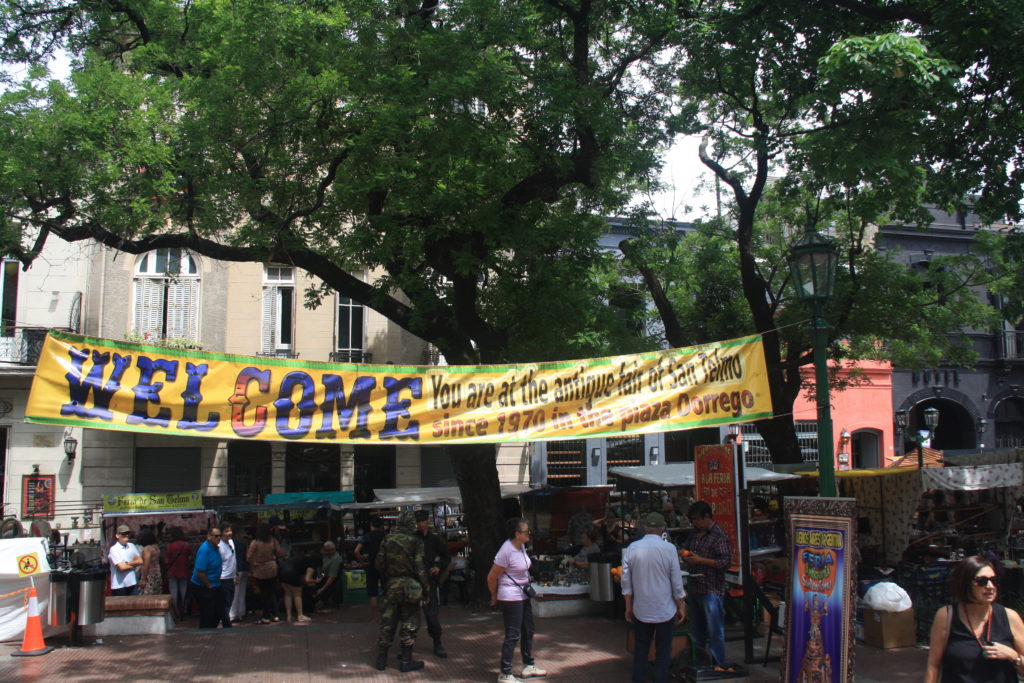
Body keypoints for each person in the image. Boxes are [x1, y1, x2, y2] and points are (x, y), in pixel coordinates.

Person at [925, 555, 1024, 682]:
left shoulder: (1010, 617)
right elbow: (933, 665)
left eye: (994, 580)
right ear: (965, 583)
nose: (990, 586)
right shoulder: (946, 616)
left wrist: (1013, 656)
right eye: (982, 581)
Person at [622, 512, 687, 683]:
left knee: (641, 648)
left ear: (645, 527)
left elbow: (626, 582)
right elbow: (676, 582)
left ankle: (639, 680)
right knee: (663, 650)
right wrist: (681, 605)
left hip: (641, 608)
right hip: (664, 609)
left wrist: (628, 605)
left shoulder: (632, 548)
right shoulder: (670, 549)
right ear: (662, 529)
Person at [487, 517, 547, 683]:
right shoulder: (506, 551)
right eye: (526, 531)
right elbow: (492, 577)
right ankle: (505, 672)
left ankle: (528, 665)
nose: (529, 533)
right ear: (517, 534)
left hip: (523, 593)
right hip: (510, 596)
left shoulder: (521, 546)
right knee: (513, 634)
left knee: (528, 629)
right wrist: (494, 595)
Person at [375, 509, 429, 672]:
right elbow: (420, 568)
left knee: (387, 622)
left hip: (392, 586)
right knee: (409, 622)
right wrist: (426, 590)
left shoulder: (387, 539)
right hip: (411, 587)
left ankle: (381, 660)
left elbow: (379, 564)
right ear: (412, 523)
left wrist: (388, 577)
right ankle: (406, 661)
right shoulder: (416, 541)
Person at [681, 501, 731, 667]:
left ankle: (719, 664)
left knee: (715, 631)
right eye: (693, 520)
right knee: (696, 630)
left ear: (707, 517)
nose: (695, 523)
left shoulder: (718, 536)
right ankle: (699, 662)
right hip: (695, 588)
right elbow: (685, 549)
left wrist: (700, 560)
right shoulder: (694, 535)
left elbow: (724, 562)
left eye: (697, 519)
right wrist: (685, 555)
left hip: (711, 590)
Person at [416, 508, 452, 658]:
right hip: (415, 581)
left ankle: (437, 641)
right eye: (418, 522)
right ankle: (407, 646)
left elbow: (446, 557)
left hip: (429, 581)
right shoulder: (412, 538)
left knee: (432, 615)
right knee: (409, 615)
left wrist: (438, 567)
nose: (420, 525)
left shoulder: (435, 539)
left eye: (422, 521)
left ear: (427, 522)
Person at [246, 523, 284, 624]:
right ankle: (276, 614)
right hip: (272, 568)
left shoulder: (255, 542)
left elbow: (249, 557)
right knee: (272, 592)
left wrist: (254, 564)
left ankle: (266, 615)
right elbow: (280, 552)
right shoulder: (273, 540)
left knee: (264, 593)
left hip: (260, 569)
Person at [190, 527, 223, 629]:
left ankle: (211, 631)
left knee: (217, 612)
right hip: (203, 586)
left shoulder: (216, 548)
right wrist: (209, 586)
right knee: (207, 613)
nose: (218, 538)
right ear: (209, 537)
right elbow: (200, 571)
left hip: (215, 584)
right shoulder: (205, 549)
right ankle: (205, 634)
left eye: (220, 536)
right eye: (216, 536)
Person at [356, 515, 388, 613]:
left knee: (373, 593)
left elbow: (356, 551)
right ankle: (387, 613)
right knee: (387, 589)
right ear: (382, 525)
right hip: (384, 565)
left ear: (371, 525)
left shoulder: (367, 536)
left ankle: (375, 616)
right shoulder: (386, 536)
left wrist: (362, 562)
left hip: (371, 565)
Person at [279, 547, 315, 624]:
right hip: (292, 573)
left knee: (288, 594)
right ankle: (300, 615)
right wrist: (316, 581)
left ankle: (288, 616)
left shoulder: (295, 559)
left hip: (281, 571)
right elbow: (307, 579)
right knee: (297, 595)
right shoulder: (311, 562)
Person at [107, 524, 143, 596]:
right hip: (119, 586)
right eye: (123, 534)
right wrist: (133, 566)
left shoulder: (131, 546)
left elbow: (140, 561)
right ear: (117, 536)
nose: (126, 536)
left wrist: (127, 563)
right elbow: (121, 567)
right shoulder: (114, 549)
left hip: (132, 583)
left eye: (127, 534)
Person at [165, 526, 192, 617]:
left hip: (172, 571)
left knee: (173, 593)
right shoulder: (186, 545)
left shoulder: (170, 546)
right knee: (183, 591)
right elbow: (190, 557)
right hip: (184, 571)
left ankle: (175, 611)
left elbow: (167, 560)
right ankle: (184, 610)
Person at [217, 524, 237, 628]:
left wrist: (235, 574)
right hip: (223, 579)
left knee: (229, 602)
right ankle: (226, 624)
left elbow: (233, 559)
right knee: (225, 603)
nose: (229, 533)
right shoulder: (219, 546)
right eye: (226, 531)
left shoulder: (231, 542)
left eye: (230, 530)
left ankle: (226, 621)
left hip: (231, 578)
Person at [313, 541, 343, 611]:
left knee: (314, 586)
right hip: (324, 577)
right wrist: (319, 578)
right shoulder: (326, 556)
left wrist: (322, 588)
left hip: (331, 580)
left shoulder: (336, 559)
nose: (330, 552)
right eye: (328, 550)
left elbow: (332, 577)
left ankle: (320, 600)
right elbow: (324, 571)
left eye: (332, 550)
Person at [230, 527, 251, 622]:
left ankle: (233, 614)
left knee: (235, 592)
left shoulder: (232, 542)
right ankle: (241, 611)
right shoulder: (243, 542)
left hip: (237, 568)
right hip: (244, 568)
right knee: (241, 592)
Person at [137, 528, 163, 596]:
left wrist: (143, 579)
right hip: (157, 573)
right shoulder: (156, 547)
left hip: (149, 576)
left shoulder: (147, 549)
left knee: (147, 596)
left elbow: (146, 564)